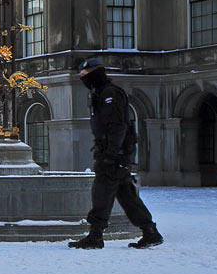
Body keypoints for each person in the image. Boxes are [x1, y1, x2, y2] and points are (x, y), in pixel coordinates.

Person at [69, 58, 162, 249]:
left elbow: (117, 126)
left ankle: (96, 235)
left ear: (96, 74)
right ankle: (150, 231)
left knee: (102, 190)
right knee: (125, 192)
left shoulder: (109, 93)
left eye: (85, 75)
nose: (83, 79)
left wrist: (111, 154)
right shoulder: (102, 93)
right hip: (113, 151)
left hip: (114, 153)